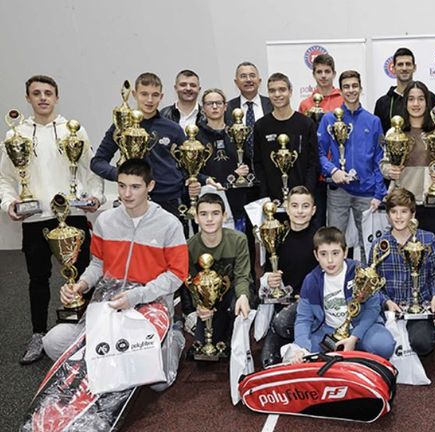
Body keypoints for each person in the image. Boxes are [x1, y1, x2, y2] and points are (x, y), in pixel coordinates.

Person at [43, 158, 188, 391]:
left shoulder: (169, 224)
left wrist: (136, 296)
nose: (127, 194)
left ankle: (175, 337)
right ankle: (109, 361)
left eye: (135, 187)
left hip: (150, 308)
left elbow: (176, 275)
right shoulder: (105, 221)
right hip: (108, 309)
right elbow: (98, 265)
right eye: (121, 186)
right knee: (52, 342)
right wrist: (80, 285)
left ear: (150, 186)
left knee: (157, 384)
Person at [0, 75, 104, 364]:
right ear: (28, 98)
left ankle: (89, 329)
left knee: (84, 275)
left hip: (73, 215)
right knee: (38, 277)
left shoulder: (74, 130)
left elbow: (90, 170)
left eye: (48, 93)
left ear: (57, 97)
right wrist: (9, 203)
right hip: (35, 218)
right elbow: (6, 178)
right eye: (36, 93)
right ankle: (37, 334)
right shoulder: (15, 135)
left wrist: (97, 197)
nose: (43, 97)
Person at [90, 72, 190, 232]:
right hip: (132, 203)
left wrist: (203, 179)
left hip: (168, 202)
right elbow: (97, 162)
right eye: (144, 94)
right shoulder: (121, 127)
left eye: (155, 95)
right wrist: (122, 176)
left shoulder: (173, 129)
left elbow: (189, 167)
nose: (149, 100)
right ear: (135, 95)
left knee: (169, 253)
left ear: (161, 96)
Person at [289, 227, 396, 362]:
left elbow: (373, 308)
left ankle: (357, 350)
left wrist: (355, 337)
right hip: (328, 331)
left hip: (361, 328)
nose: (330, 260)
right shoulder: (311, 281)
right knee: (302, 355)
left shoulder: (360, 272)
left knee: (383, 345)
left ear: (345, 252)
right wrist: (301, 347)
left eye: (335, 253)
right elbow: (304, 319)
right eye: (323, 254)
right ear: (316, 255)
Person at [318, 70, 386, 258]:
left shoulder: (373, 121)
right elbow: (319, 152)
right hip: (338, 191)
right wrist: (333, 170)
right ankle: (337, 285)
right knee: (334, 243)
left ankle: (367, 283)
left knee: (368, 244)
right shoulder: (329, 119)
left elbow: (380, 158)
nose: (351, 90)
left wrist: (379, 192)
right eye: (346, 86)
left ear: (360, 88)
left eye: (354, 86)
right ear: (340, 90)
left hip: (366, 192)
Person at [380, 81, 435, 240]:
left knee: (431, 250)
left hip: (432, 203)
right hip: (403, 205)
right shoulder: (394, 133)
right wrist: (390, 171)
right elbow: (384, 164)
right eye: (411, 99)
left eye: (421, 99)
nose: (416, 104)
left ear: (427, 102)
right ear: (405, 102)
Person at [372, 188, 435, 356]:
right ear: (388, 215)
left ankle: (429, 325)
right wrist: (386, 302)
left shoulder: (428, 239)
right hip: (391, 307)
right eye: (394, 211)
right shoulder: (380, 244)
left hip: (419, 306)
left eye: (404, 211)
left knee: (423, 344)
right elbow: (373, 282)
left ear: (413, 214)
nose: (399, 216)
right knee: (377, 347)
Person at [258, 186, 320, 366]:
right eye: (295, 206)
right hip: (282, 305)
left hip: (310, 307)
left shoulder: (320, 238)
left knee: (282, 323)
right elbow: (269, 270)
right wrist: (270, 280)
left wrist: (307, 296)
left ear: (313, 210)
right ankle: (289, 344)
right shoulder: (276, 235)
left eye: (305, 206)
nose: (300, 211)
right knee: (268, 363)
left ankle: (298, 341)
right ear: (286, 207)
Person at [195, 88, 258, 267]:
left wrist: (245, 169)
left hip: (237, 200)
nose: (214, 107)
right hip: (209, 201)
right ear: (203, 108)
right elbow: (190, 171)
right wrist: (205, 180)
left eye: (218, 103)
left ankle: (247, 285)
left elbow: (250, 162)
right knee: (210, 249)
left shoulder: (238, 132)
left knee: (240, 244)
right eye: (209, 103)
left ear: (225, 107)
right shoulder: (196, 136)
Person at [186, 193, 252, 355]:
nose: (209, 219)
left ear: (224, 216)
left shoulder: (239, 240)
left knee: (230, 342)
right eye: (204, 214)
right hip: (207, 299)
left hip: (231, 294)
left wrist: (243, 296)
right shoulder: (189, 246)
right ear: (196, 218)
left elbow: (242, 275)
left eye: (215, 213)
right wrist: (199, 306)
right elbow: (190, 282)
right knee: (202, 347)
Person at [252, 73, 319, 204]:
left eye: (282, 89)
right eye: (272, 91)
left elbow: (313, 163)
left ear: (290, 91)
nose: (277, 94)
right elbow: (258, 163)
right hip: (272, 200)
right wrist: (264, 197)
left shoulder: (306, 124)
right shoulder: (261, 126)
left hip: (301, 199)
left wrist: (306, 194)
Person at [297, 53, 343, 227]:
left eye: (327, 71)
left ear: (333, 73)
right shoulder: (306, 104)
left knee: (338, 223)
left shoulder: (343, 100)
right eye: (319, 72)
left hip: (338, 169)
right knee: (316, 220)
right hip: (314, 171)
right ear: (314, 74)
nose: (323, 76)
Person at [374, 47, 435, 133]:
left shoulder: (429, 98)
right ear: (393, 69)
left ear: (414, 67)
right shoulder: (382, 103)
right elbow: (380, 137)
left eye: (408, 64)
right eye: (400, 64)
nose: (404, 68)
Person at [224, 61, 273, 126]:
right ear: (236, 82)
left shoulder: (272, 104)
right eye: (243, 76)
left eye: (252, 76)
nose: (248, 80)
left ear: (259, 81)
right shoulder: (227, 108)